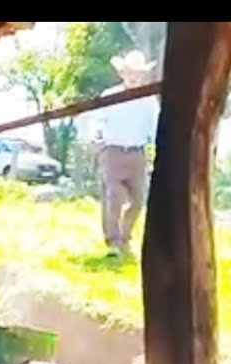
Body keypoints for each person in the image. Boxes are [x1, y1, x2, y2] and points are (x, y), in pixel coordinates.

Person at [86, 49, 161, 257]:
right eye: (130, 72)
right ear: (123, 73)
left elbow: (155, 128)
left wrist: (158, 151)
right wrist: (97, 140)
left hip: (137, 154)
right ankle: (113, 242)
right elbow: (97, 121)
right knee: (113, 196)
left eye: (137, 72)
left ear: (143, 74)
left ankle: (125, 236)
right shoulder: (110, 96)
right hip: (112, 152)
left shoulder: (149, 101)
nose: (133, 76)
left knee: (138, 200)